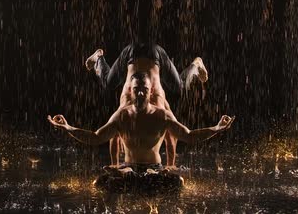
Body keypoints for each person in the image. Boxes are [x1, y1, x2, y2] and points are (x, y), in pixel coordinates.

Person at [47, 72, 234, 184]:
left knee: (178, 183)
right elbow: (96, 137)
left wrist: (216, 128)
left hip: (155, 169)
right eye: (137, 89)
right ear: (131, 90)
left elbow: (189, 135)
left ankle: (137, 175)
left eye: (144, 88)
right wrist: (68, 127)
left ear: (150, 90)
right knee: (99, 183)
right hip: (129, 167)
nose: (141, 92)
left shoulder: (162, 115)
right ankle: (124, 173)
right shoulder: (122, 115)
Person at [84, 42, 209, 168]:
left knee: (180, 86)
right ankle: (99, 57)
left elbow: (171, 137)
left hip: (144, 54)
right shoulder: (143, 109)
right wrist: (115, 165)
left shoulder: (132, 110)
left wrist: (170, 166)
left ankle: (196, 64)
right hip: (140, 54)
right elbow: (114, 137)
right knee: (179, 87)